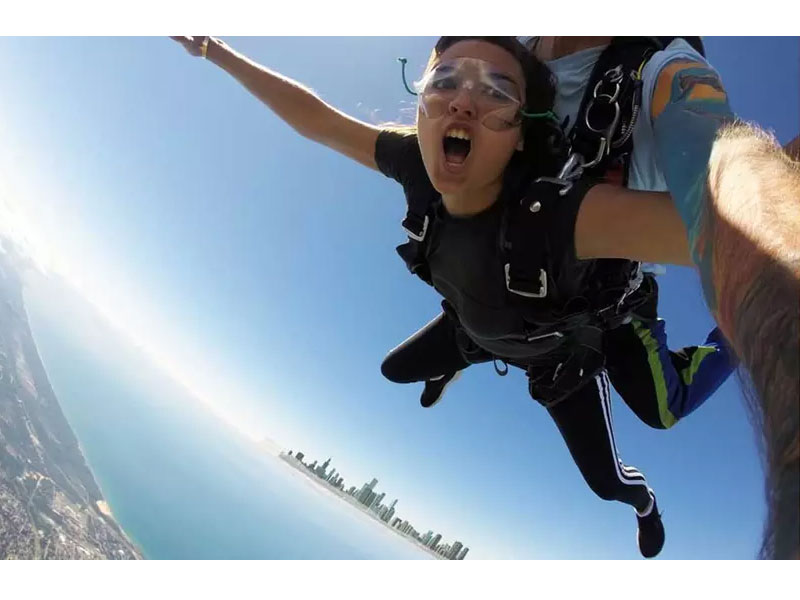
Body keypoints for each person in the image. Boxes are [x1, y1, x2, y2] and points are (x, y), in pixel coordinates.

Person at [169, 35, 734, 558]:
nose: (462, 102)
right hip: (474, 325)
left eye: (494, 92)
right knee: (396, 369)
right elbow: (315, 120)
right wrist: (215, 49)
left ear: (520, 134)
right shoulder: (414, 159)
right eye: (445, 81)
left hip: (558, 358)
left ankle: (646, 499)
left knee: (615, 470)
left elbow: (729, 232)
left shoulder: (563, 217)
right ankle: (460, 358)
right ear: (419, 107)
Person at [530, 36, 800, 560]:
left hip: (615, 302)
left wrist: (767, 280)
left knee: (662, 409)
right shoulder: (509, 62)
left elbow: (719, 157)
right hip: (539, 321)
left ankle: (721, 351)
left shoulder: (662, 69)